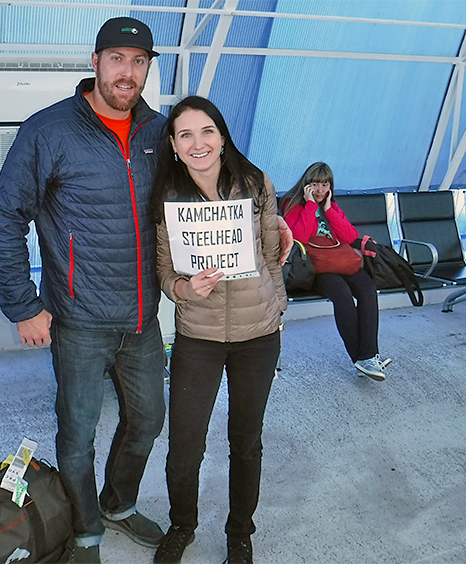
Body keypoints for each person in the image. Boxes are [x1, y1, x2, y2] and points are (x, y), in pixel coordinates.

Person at [0, 17, 169, 564]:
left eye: (138, 62)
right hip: (79, 319)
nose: (127, 72)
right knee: (78, 431)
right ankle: (85, 531)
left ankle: (117, 503)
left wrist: (270, 219)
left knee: (148, 420)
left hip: (142, 319)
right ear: (94, 63)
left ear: (147, 68)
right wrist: (24, 306)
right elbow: (3, 221)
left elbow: (211, 187)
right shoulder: (49, 130)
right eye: (117, 59)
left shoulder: (159, 132)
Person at [150, 96, 286, 564]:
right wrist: (186, 290)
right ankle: (182, 525)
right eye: (185, 134)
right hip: (198, 338)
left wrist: (278, 308)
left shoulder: (255, 183)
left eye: (206, 131)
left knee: (246, 442)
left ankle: (239, 534)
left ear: (223, 136)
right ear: (172, 145)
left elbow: (272, 255)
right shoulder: (168, 198)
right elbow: (165, 274)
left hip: (259, 334)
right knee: (184, 446)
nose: (198, 142)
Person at [280, 162, 391, 381]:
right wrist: (311, 206)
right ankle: (361, 358)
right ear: (306, 185)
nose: (320, 190)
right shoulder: (291, 204)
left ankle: (369, 356)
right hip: (314, 268)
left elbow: (350, 236)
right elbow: (298, 237)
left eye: (325, 184)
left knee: (368, 288)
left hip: (341, 261)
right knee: (342, 294)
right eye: (315, 185)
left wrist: (329, 210)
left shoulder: (331, 205)